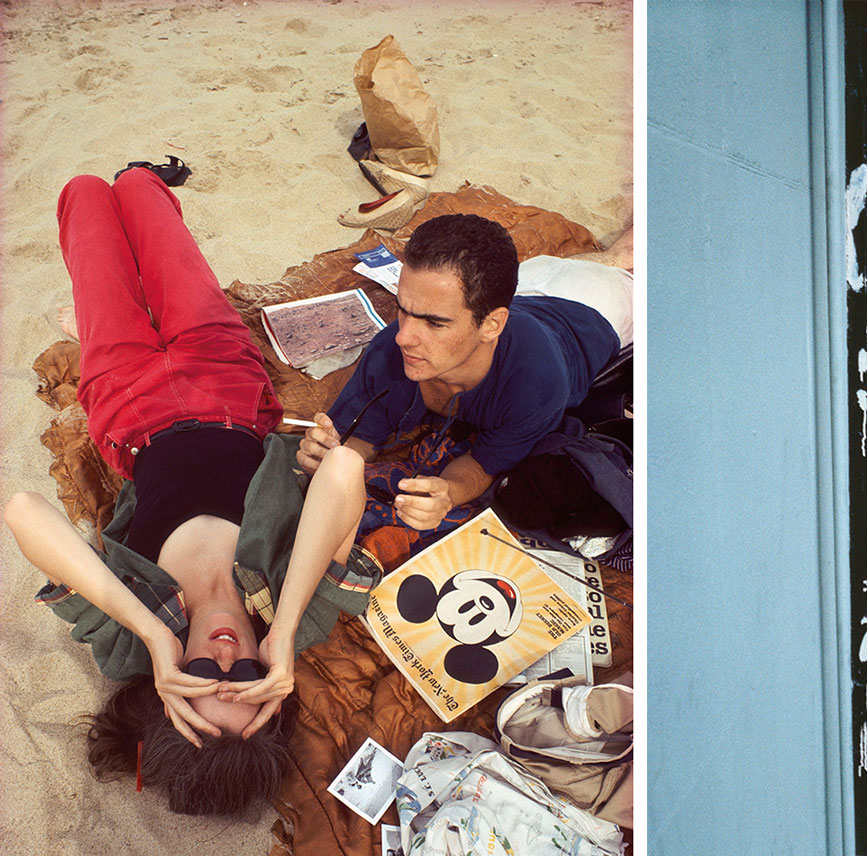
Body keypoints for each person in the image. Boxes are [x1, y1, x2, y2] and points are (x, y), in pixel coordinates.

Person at [4, 168, 380, 816]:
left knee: (84, 197)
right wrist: (284, 626)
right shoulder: (292, 621)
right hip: (225, 379)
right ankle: (146, 178)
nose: (229, 654)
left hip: (126, 401)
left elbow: (22, 511)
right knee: (142, 198)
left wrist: (153, 633)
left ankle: (104, 258)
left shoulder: (131, 643)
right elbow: (343, 471)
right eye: (250, 677)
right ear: (276, 682)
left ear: (169, 686)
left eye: (205, 674)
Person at [295, 213, 633, 545]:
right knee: (547, 271)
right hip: (529, 284)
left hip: (597, 305)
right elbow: (356, 441)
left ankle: (620, 254)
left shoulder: (536, 383)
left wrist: (450, 493)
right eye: (404, 311)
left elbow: (486, 462)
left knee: (617, 267)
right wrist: (326, 456)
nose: (403, 337)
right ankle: (613, 253)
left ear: (492, 326)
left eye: (434, 323)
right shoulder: (388, 350)